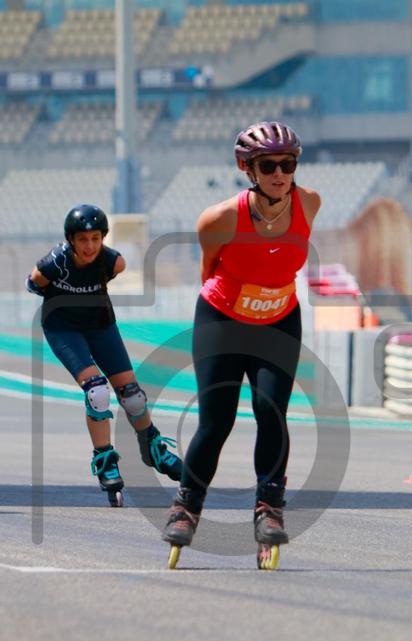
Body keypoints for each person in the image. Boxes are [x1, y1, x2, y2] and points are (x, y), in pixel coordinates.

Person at [163, 121, 321, 568]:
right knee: (217, 420)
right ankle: (186, 506)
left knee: (272, 412)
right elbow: (209, 268)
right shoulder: (220, 218)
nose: (280, 174)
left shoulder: (310, 203)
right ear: (246, 168)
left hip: (279, 319)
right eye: (268, 165)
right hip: (223, 319)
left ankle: (269, 507)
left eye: (288, 164)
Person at [25, 204, 182, 506]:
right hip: (63, 329)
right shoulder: (54, 264)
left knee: (133, 396)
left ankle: (152, 447)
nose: (90, 246)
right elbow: (33, 284)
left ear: (103, 238)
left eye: (96, 239)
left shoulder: (113, 262)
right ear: (71, 240)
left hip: (100, 326)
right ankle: (106, 459)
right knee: (97, 392)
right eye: (83, 240)